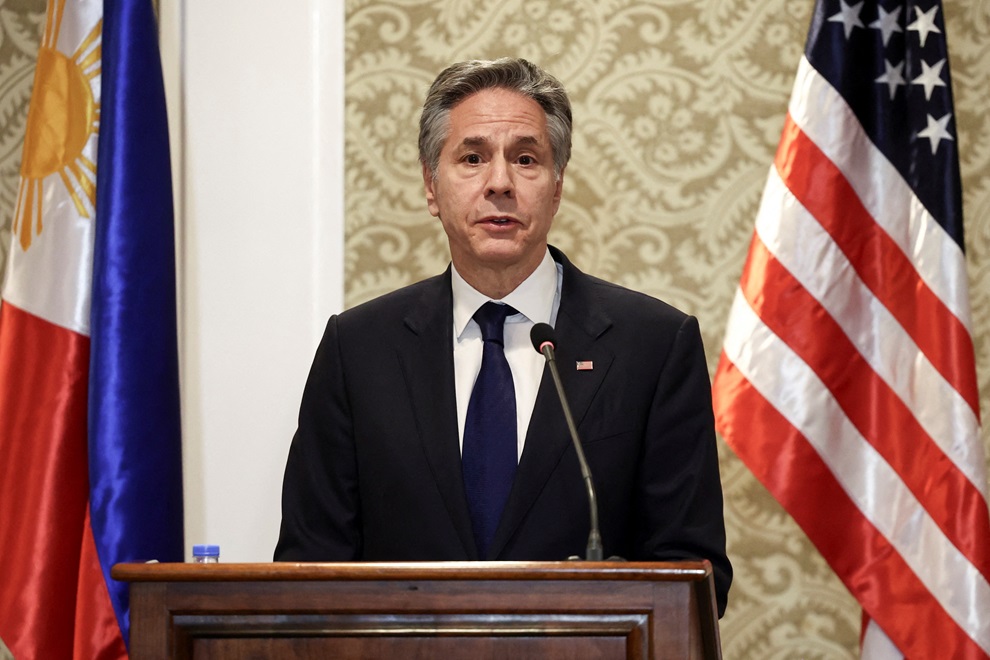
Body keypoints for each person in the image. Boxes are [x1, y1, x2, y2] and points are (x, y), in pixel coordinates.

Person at [274, 57, 731, 616]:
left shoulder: (653, 345)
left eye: (526, 159)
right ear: (431, 185)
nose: (499, 183)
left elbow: (694, 576)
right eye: (472, 158)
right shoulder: (358, 349)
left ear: (557, 187)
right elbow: (310, 568)